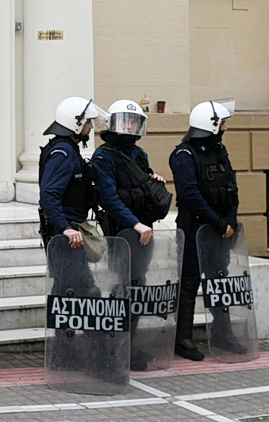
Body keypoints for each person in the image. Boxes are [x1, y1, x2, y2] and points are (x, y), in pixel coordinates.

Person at [91, 99, 168, 370]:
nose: (131, 127)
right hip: (124, 229)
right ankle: (117, 346)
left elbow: (142, 182)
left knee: (138, 286)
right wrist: (135, 225)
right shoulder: (104, 156)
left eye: (134, 122)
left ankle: (130, 344)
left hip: (143, 228)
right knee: (123, 286)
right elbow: (110, 199)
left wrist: (154, 180)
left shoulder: (139, 154)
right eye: (126, 121)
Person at [169, 100, 242, 361]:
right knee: (189, 282)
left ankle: (224, 335)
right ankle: (183, 338)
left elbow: (231, 185)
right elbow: (189, 194)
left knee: (219, 280)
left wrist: (230, 219)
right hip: (195, 226)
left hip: (219, 228)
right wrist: (217, 221)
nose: (225, 129)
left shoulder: (219, 151)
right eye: (223, 124)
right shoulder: (184, 155)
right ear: (211, 125)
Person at [38, 97, 104, 253]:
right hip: (65, 235)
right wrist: (65, 228)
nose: (91, 127)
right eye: (88, 122)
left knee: (79, 277)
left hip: (71, 230)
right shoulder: (63, 152)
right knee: (72, 277)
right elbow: (48, 194)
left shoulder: (69, 149)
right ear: (76, 123)